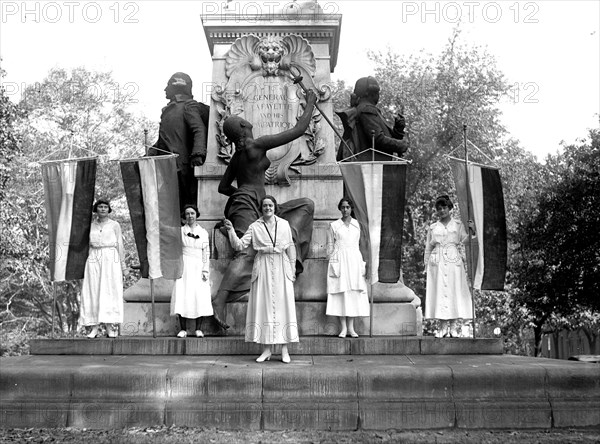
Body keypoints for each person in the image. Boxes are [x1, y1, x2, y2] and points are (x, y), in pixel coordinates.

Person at [211, 89, 318, 333]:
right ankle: (219, 299)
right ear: (242, 128)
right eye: (245, 122)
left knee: (305, 206)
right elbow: (298, 131)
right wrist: (310, 102)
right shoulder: (256, 145)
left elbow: (223, 187)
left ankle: (289, 262)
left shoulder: (238, 156)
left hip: (257, 202)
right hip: (249, 202)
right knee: (246, 252)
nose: (249, 123)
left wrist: (241, 195)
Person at [223, 195, 298, 363]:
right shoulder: (255, 226)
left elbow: (290, 246)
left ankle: (284, 349)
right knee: (264, 308)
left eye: (270, 205)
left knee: (283, 307)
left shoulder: (284, 224)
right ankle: (266, 350)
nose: (267, 208)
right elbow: (240, 245)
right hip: (263, 266)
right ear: (261, 208)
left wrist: (292, 268)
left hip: (281, 265)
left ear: (274, 207)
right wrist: (231, 230)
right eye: (264, 206)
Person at [148, 72, 209, 211]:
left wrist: (198, 154)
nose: (165, 89)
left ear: (178, 87)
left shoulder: (189, 106)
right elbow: (163, 140)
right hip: (167, 165)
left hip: (183, 166)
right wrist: (149, 154)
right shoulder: (168, 111)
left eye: (168, 85)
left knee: (185, 205)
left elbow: (198, 130)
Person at [424, 195, 476, 338]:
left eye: (444, 208)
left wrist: (472, 231)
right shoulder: (433, 227)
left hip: (453, 258)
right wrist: (426, 263)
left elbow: (465, 241)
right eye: (439, 208)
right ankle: (442, 327)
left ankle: (453, 327)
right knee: (440, 292)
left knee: (453, 291)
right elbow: (428, 246)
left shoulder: (458, 225)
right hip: (437, 259)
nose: (442, 211)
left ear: (450, 208)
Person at [80, 199, 129, 338]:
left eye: (105, 207)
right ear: (96, 209)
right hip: (94, 258)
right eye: (100, 207)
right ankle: (94, 328)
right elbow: (85, 245)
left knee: (109, 291)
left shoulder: (115, 225)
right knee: (93, 290)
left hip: (110, 258)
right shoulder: (90, 226)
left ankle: (109, 327)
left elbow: (119, 245)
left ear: (109, 209)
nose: (102, 209)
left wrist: (123, 266)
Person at [336, 76, 409, 162]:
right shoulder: (367, 109)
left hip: (372, 165)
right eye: (378, 93)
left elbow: (382, 137)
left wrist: (398, 130)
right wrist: (401, 145)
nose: (379, 96)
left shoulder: (365, 109)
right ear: (371, 94)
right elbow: (378, 139)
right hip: (372, 167)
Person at [326, 198, 370, 338]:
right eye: (343, 207)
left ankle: (351, 328)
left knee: (353, 293)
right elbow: (329, 246)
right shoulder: (334, 225)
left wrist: (366, 262)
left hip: (354, 260)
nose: (345, 210)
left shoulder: (358, 225)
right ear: (340, 209)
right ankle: (343, 328)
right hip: (339, 260)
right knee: (341, 293)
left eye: (348, 207)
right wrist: (332, 261)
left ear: (351, 209)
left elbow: (363, 244)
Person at [171, 204, 213, 338]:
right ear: (185, 216)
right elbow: (175, 250)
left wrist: (205, 269)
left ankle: (198, 329)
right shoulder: (180, 232)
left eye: (192, 213)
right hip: (184, 264)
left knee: (198, 295)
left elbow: (206, 252)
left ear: (196, 215)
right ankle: (183, 329)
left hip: (198, 265)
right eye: (187, 213)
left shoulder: (203, 232)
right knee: (182, 294)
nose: (190, 216)